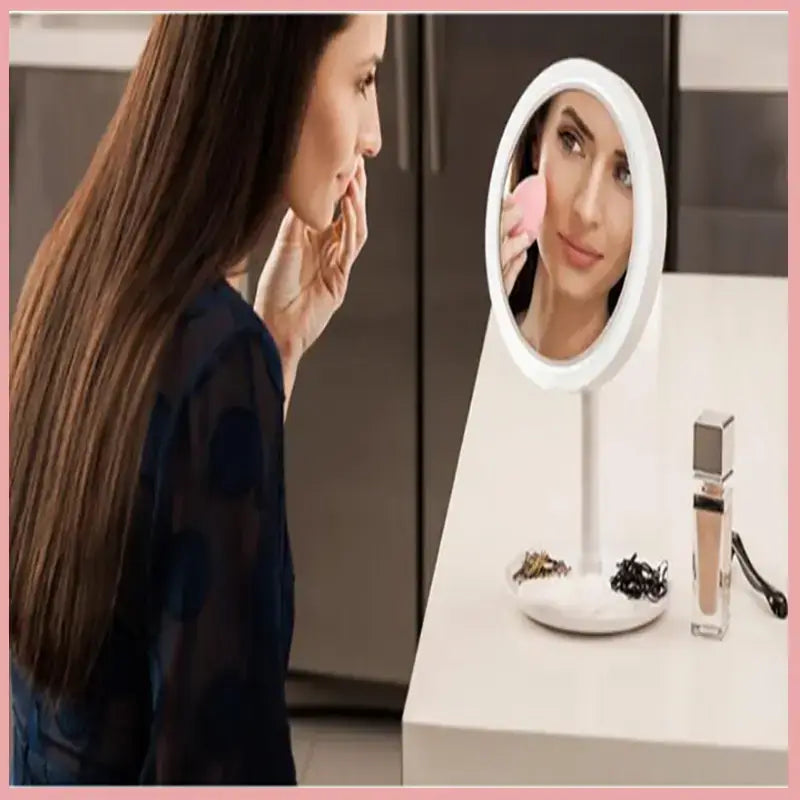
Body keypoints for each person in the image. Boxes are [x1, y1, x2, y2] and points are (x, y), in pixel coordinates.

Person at [10, 13, 385, 785]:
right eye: (363, 80)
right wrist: (253, 360)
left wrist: (277, 348)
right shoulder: (217, 359)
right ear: (279, 77)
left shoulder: (66, 269)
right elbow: (222, 765)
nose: (374, 135)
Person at [500, 90, 633, 360]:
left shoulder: (650, 378)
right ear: (537, 146)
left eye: (625, 175)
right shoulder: (480, 343)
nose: (586, 211)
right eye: (571, 142)